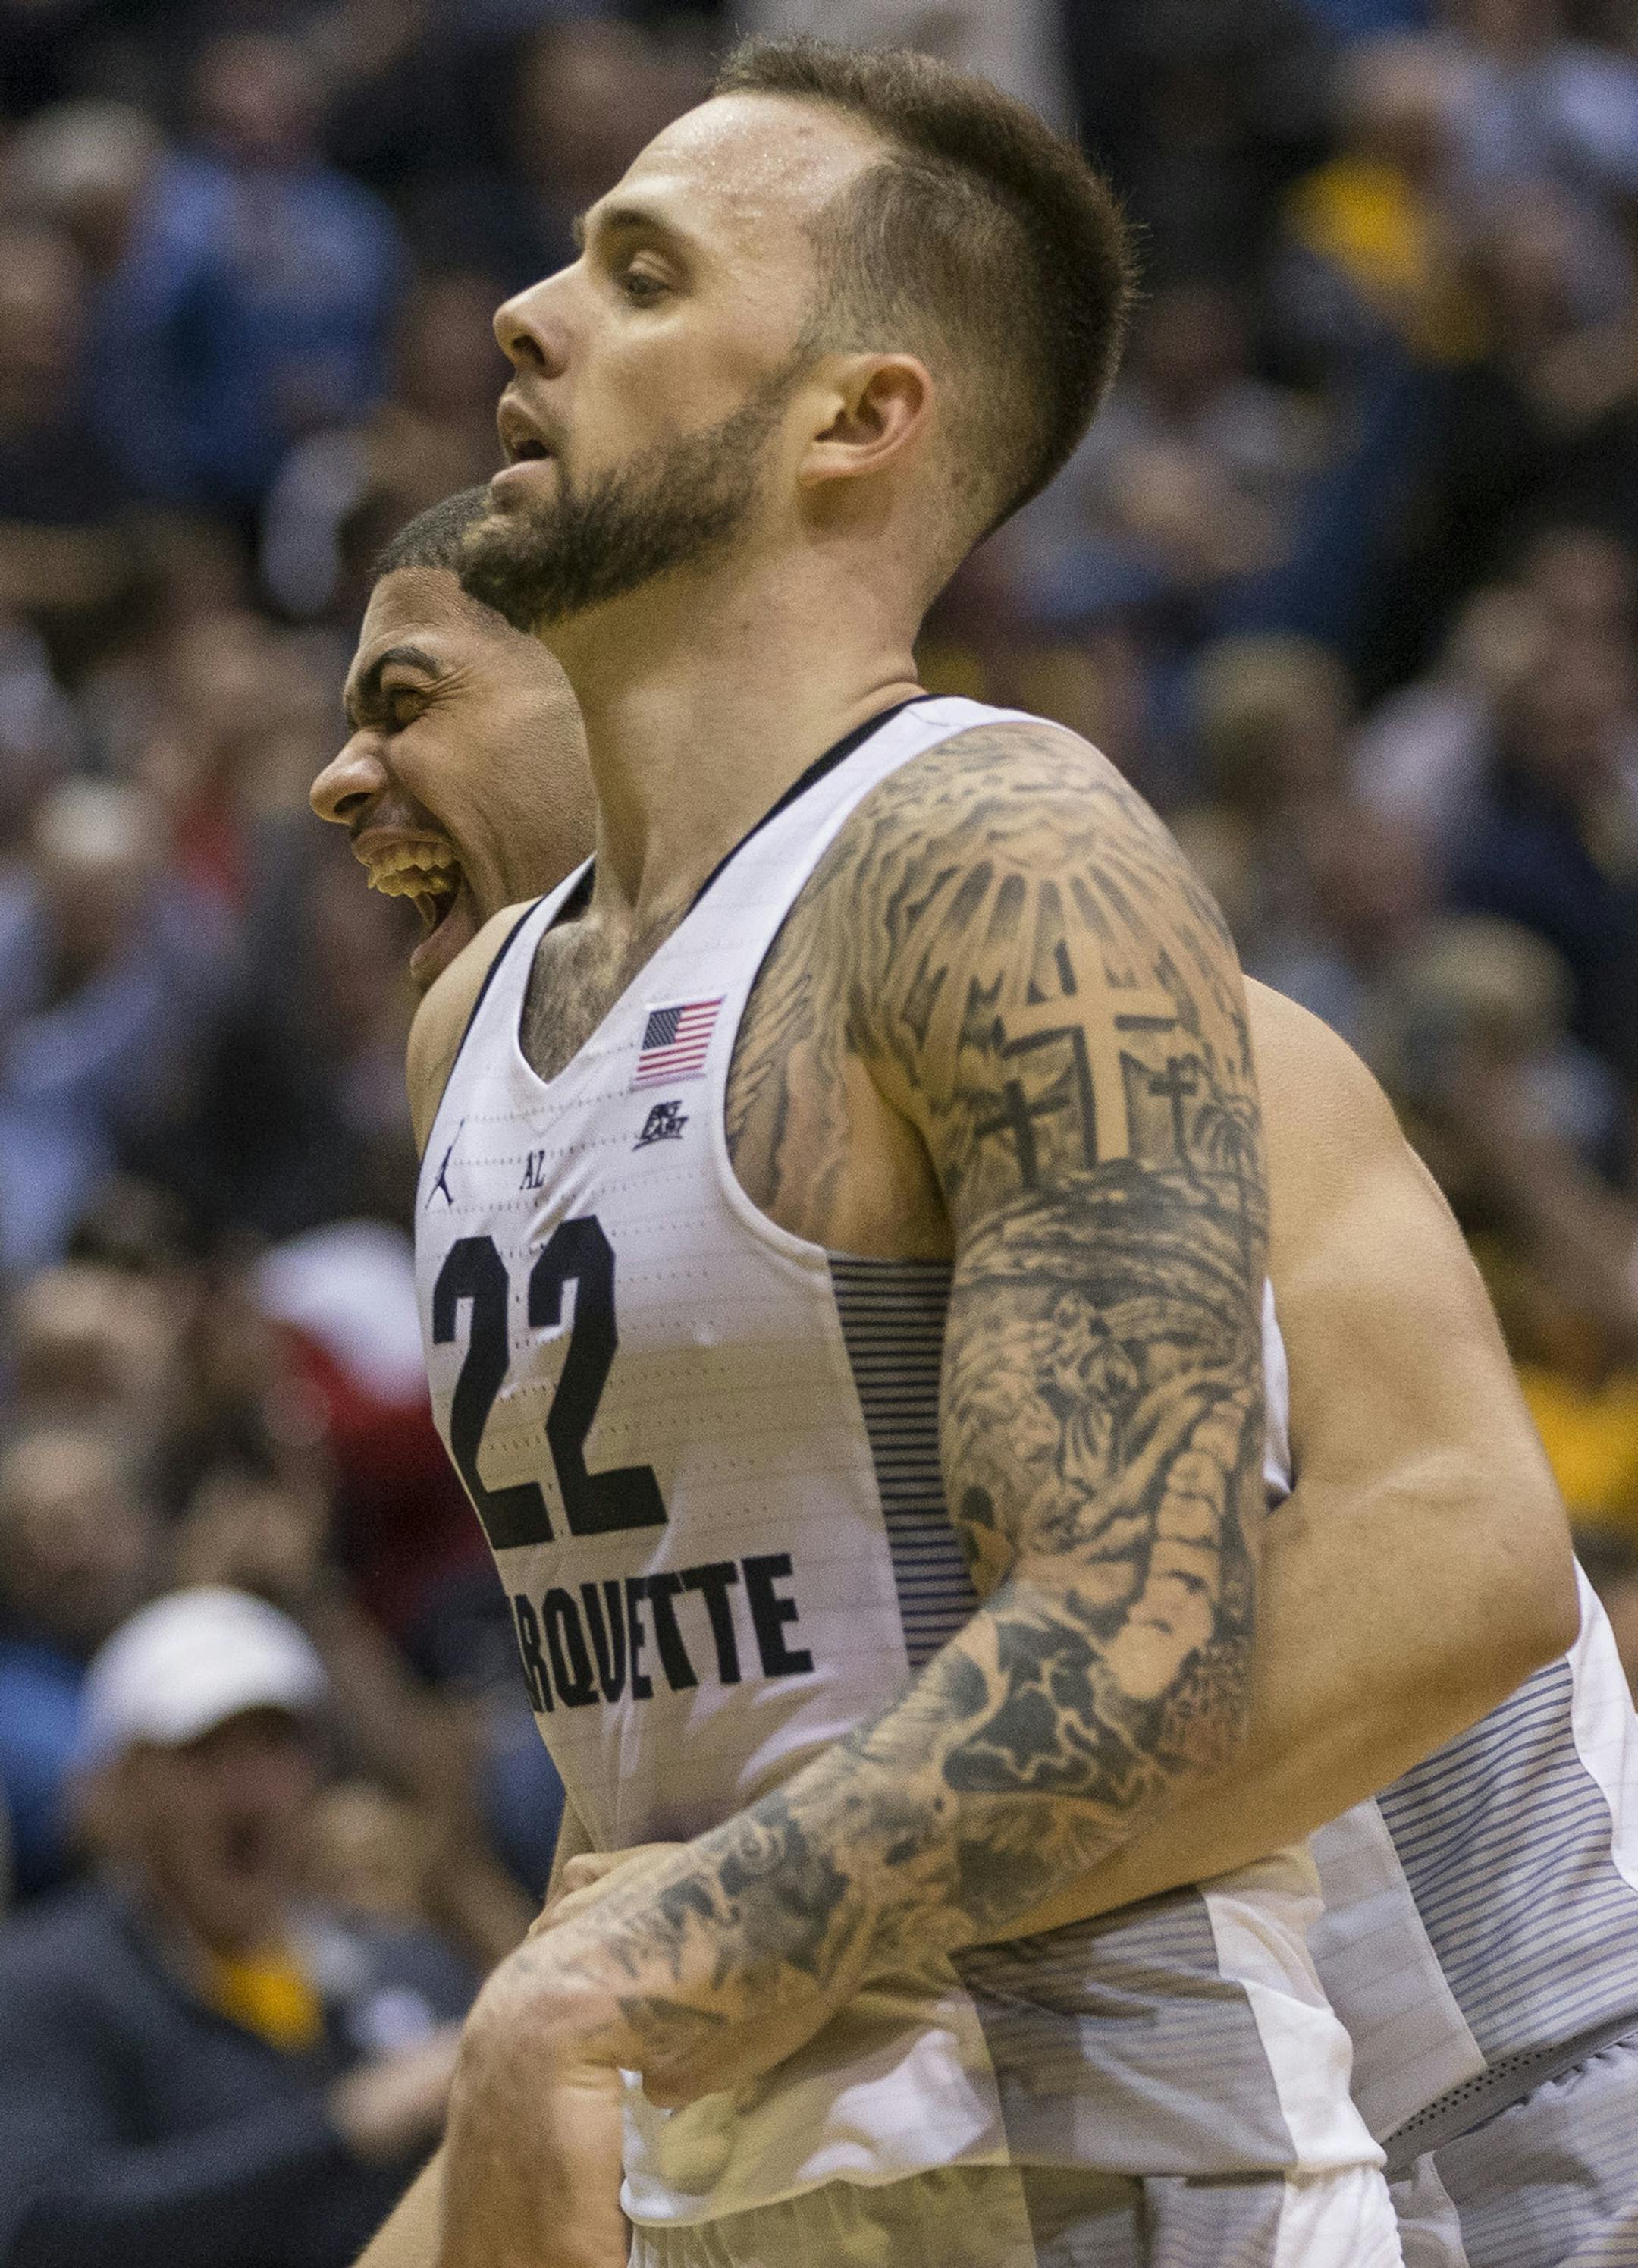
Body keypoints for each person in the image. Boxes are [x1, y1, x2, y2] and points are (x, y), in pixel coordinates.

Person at [336, 36, 1574, 2260]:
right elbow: (668, 1775)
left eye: (637, 270)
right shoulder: (476, 1036)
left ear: (857, 415)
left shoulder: (997, 857)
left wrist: (614, 1988)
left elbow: (1163, 1626)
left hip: (1124, 2149)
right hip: (744, 2165)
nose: (525, 310)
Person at [0, 1586, 474, 2268]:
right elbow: (48, 2234)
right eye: (203, 1753)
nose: (249, 1791)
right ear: (119, 1789)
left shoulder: (406, 1968)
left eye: (275, 1747)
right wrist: (344, 2130)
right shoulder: (46, 1986)